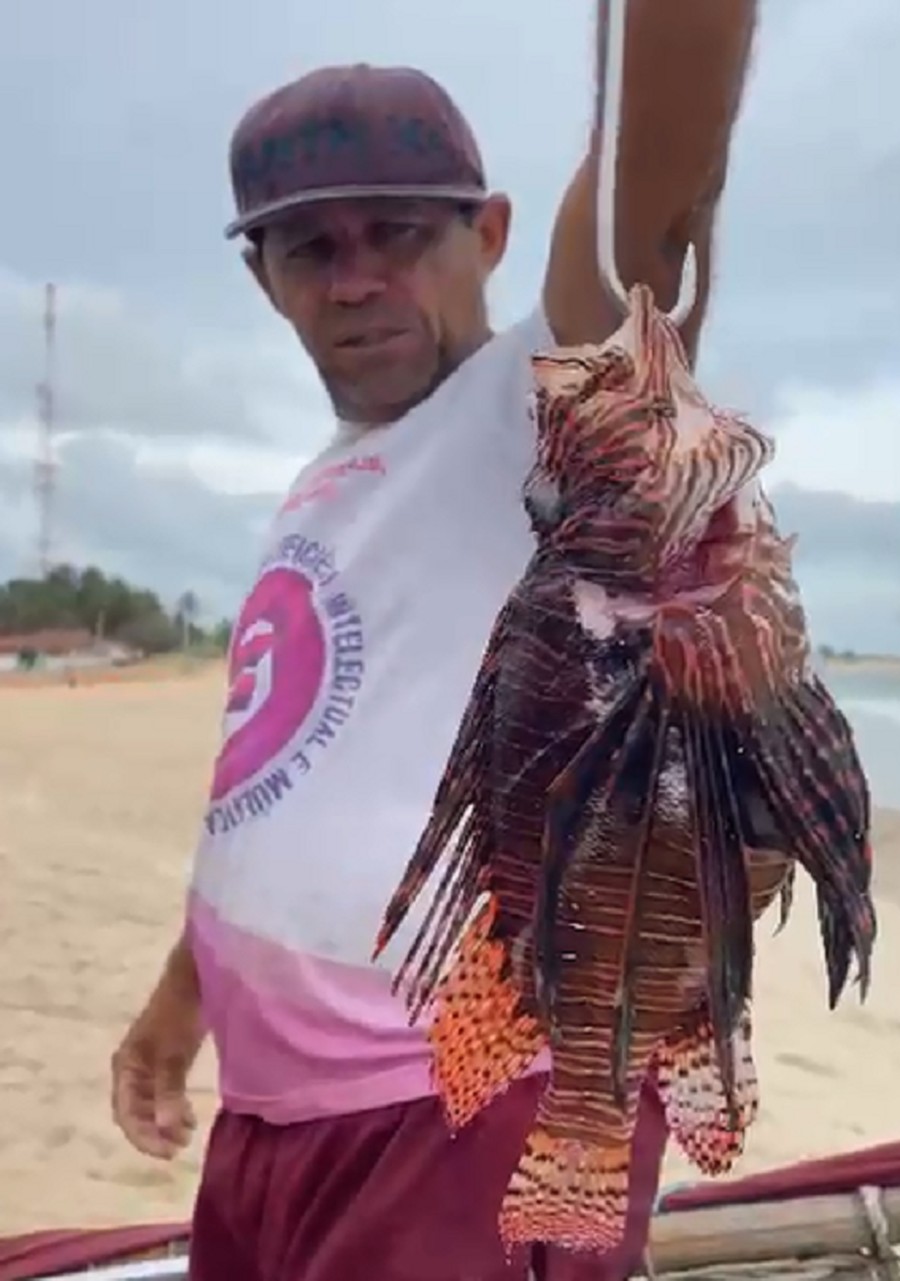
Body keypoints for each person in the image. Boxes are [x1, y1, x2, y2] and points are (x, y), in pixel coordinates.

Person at [110, 4, 758, 1278]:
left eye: (399, 233)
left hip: (471, 1107)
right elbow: (284, 775)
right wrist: (181, 1005)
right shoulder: (321, 484)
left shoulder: (554, 405)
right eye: (311, 248)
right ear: (265, 279)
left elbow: (655, 179)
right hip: (273, 1127)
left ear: (493, 233)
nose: (356, 277)